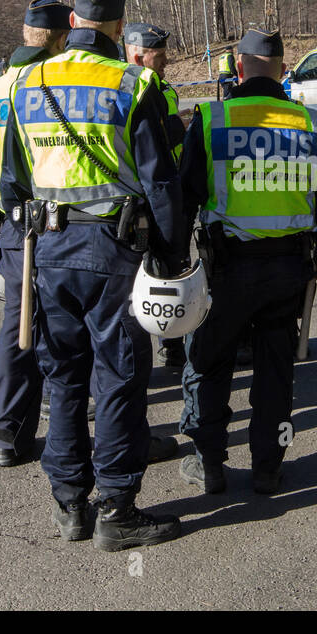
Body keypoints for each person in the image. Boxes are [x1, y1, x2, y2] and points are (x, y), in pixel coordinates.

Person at [1, 0, 186, 551]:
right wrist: (172, 257)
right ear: (115, 27)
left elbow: (11, 183)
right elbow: (161, 183)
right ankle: (117, 506)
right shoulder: (134, 83)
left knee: (63, 379)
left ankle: (69, 503)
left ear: (75, 22)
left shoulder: (27, 82)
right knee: (119, 377)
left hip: (48, 252)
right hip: (115, 251)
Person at [176, 28, 317, 495]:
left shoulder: (211, 119)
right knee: (276, 369)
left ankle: (208, 462)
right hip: (289, 268)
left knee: (210, 363)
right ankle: (268, 467)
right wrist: (313, 247)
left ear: (238, 67)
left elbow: (185, 197)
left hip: (227, 269)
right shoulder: (312, 124)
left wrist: (174, 263)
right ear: (283, 70)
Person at [0, 0, 69, 466]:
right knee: (70, 321)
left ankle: (8, 434)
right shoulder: (45, 85)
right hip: (54, 220)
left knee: (17, 325)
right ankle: (82, 424)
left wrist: (2, 218)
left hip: (12, 224)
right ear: (59, 38)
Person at [123, 22, 187, 372]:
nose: (165, 61)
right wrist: (180, 126)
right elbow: (154, 137)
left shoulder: (159, 85)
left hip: (166, 187)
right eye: (158, 56)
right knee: (138, 279)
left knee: (168, 273)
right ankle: (137, 358)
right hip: (139, 197)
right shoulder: (130, 89)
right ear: (137, 55)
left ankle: (172, 343)